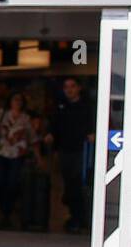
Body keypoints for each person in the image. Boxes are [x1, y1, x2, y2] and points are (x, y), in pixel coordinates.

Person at [48, 77, 96, 234]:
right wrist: (51, 137)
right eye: (66, 86)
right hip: (64, 149)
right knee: (69, 183)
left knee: (76, 183)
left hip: (81, 149)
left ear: (79, 88)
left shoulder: (86, 107)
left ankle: (77, 218)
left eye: (72, 86)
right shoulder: (61, 107)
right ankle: (76, 216)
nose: (69, 90)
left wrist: (91, 134)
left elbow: (91, 125)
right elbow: (55, 126)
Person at [0, 92, 35, 230]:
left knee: (13, 182)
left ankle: (8, 208)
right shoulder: (1, 114)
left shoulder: (26, 118)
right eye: (15, 99)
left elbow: (32, 137)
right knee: (0, 181)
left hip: (17, 154)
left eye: (20, 100)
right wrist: (0, 130)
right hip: (1, 151)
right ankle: (3, 207)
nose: (17, 103)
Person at [23, 114, 53, 232]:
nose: (36, 125)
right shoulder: (25, 134)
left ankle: (41, 220)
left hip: (42, 169)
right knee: (27, 191)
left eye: (39, 123)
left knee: (41, 191)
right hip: (27, 165)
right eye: (34, 123)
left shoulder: (46, 138)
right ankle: (27, 219)